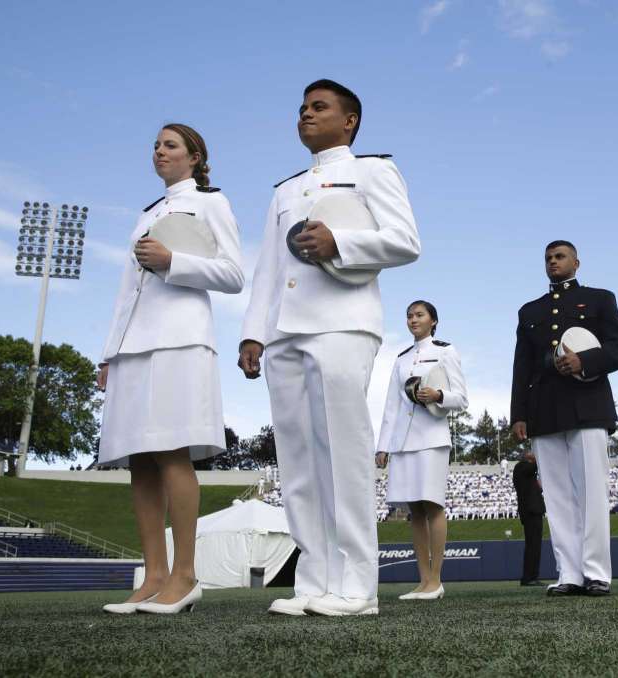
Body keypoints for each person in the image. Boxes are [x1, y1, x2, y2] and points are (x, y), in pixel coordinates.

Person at [239, 79, 421, 617]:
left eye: (319, 108)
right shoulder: (284, 189)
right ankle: (314, 581)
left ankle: (358, 587)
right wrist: (254, 330)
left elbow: (405, 240)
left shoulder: (372, 170)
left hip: (343, 321)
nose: (306, 115)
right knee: (297, 461)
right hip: (285, 331)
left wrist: (340, 242)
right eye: (301, 109)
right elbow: (269, 267)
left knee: (343, 453)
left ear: (350, 121)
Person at [98, 123, 244, 615]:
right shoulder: (145, 214)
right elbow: (126, 291)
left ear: (195, 156)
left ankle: (185, 575)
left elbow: (232, 274)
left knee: (170, 452)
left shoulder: (210, 203)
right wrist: (109, 352)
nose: (159, 152)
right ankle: (153, 575)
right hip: (134, 344)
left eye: (170, 145)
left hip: (180, 337)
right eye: (156, 146)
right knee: (139, 460)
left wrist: (172, 260)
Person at [509, 240, 618, 597]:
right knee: (558, 497)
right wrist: (519, 413)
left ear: (576, 263)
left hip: (587, 405)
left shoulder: (600, 299)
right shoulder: (529, 311)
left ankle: (596, 573)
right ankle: (569, 573)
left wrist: (586, 361)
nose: (553, 262)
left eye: (560, 256)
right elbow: (522, 366)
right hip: (544, 409)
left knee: (591, 492)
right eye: (548, 258)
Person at [376, 300, 468, 601]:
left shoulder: (445, 351)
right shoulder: (401, 358)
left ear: (433, 321)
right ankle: (423, 580)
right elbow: (391, 404)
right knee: (414, 511)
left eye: (419, 315)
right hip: (403, 440)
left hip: (431, 437)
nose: (413, 320)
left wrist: (438, 394)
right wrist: (383, 445)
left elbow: (461, 398)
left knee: (432, 505)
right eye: (409, 316)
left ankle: (437, 580)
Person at [512, 450, 546, 586]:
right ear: (526, 457)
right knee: (533, 546)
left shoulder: (526, 471)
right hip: (531, 511)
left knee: (534, 545)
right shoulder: (521, 466)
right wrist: (540, 454)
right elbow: (535, 466)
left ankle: (531, 576)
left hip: (532, 510)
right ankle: (529, 577)